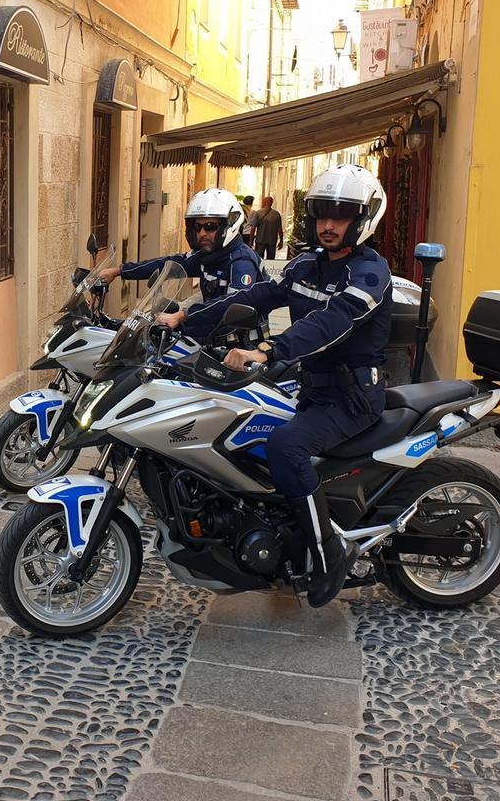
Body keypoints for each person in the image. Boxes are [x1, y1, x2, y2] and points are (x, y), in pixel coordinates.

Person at [157, 164, 392, 607]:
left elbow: (333, 321)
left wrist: (269, 351)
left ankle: (328, 554)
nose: (328, 224)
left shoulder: (369, 273)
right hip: (314, 389)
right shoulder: (306, 264)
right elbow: (254, 296)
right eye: (322, 213)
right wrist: (184, 319)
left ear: (362, 219)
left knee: (285, 446)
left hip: (353, 396)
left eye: (340, 215)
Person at [99, 188, 264, 339]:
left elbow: (232, 303)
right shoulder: (210, 255)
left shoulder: (241, 262)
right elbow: (167, 264)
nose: (202, 233)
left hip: (239, 346)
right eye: (197, 227)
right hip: (213, 332)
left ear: (230, 224)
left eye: (210, 226)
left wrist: (183, 315)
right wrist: (119, 271)